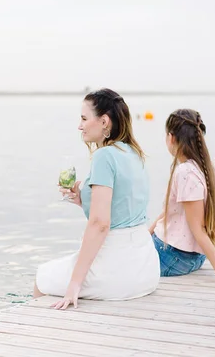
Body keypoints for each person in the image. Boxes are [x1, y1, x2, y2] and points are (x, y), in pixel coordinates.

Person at [34, 88, 160, 309]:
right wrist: (83, 198)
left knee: (42, 278)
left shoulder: (104, 156)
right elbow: (124, 206)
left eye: (84, 118)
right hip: (146, 268)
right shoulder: (133, 153)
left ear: (104, 121)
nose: (79, 126)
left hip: (118, 268)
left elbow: (100, 223)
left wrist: (74, 284)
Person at [149, 109, 215, 283]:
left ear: (171, 138)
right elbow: (170, 212)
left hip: (173, 256)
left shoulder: (185, 172)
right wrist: (146, 236)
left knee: (116, 259)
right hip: (191, 256)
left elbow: (197, 229)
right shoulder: (202, 169)